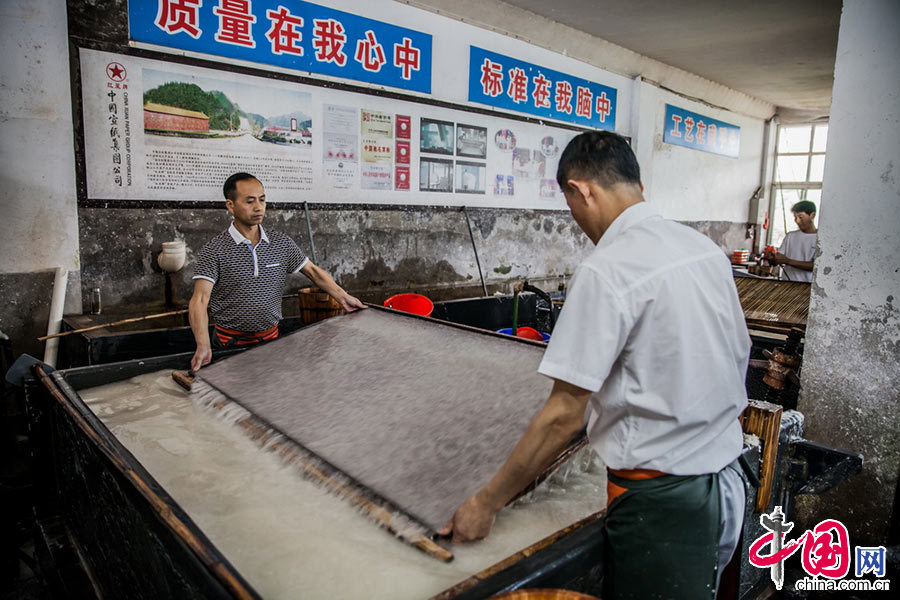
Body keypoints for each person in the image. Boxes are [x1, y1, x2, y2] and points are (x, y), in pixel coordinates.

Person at [438, 132, 750, 599]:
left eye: (572, 206)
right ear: (637, 184)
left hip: (664, 502)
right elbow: (731, 354)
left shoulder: (608, 268)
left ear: (581, 190)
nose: (578, 220)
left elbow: (564, 415)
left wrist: (485, 503)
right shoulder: (702, 249)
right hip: (727, 479)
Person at [189, 172, 364, 372]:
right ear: (231, 205)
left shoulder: (281, 243)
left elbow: (313, 272)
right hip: (228, 344)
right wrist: (203, 345)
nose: (258, 207)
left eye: (262, 200)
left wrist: (344, 297)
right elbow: (199, 300)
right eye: (250, 201)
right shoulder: (215, 250)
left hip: (272, 340)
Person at [766, 200, 817, 282]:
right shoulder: (790, 236)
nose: (797, 221)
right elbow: (778, 259)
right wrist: (773, 258)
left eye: (800, 217)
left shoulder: (820, 239)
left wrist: (788, 261)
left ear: (812, 215)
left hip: (807, 286)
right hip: (787, 284)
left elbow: (816, 267)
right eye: (795, 217)